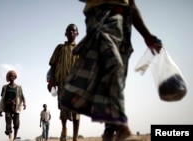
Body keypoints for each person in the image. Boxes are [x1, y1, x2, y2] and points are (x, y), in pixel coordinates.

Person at [60, 0, 162, 141]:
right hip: (101, 14)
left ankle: (109, 128)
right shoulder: (61, 48)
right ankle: (121, 128)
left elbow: (131, 4)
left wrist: (146, 35)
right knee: (114, 64)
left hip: (124, 21)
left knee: (117, 78)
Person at [47, 23, 80, 141]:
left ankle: (75, 137)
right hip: (62, 84)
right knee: (63, 109)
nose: (71, 32)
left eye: (73, 31)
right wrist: (51, 82)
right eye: (69, 31)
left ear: (77, 33)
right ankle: (64, 130)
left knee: (76, 111)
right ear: (65, 33)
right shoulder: (60, 48)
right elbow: (53, 66)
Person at [0, 70, 26, 141]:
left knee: (16, 124)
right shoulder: (5, 87)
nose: (12, 77)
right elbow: (2, 99)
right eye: (10, 76)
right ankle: (10, 137)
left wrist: (24, 103)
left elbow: (22, 96)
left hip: (16, 107)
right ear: (8, 77)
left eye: (13, 76)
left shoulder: (19, 87)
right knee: (8, 123)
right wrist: (1, 110)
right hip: (8, 107)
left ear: (15, 77)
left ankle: (14, 138)